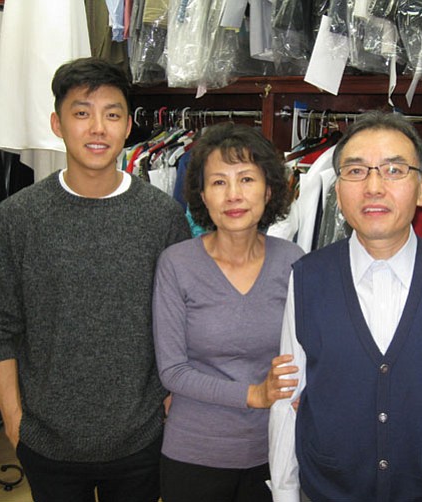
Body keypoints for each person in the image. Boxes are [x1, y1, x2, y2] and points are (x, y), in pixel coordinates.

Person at [0, 57, 191, 502]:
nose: (97, 128)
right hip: (47, 443)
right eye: (81, 112)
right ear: (57, 123)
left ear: (128, 126)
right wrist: (14, 422)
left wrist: (170, 405)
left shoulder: (162, 216)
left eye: (111, 114)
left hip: (141, 440)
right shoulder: (17, 219)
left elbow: (182, 318)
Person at [268, 111, 422, 502]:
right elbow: (288, 404)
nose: (374, 187)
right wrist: (285, 494)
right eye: (357, 171)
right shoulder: (307, 279)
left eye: (395, 170)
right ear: (338, 187)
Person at [152, 122, 304, 502]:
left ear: (269, 190)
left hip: (273, 452)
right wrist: (253, 393)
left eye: (247, 179)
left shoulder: (293, 262)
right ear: (201, 195)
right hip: (194, 455)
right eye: (219, 182)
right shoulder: (177, 264)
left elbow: (309, 353)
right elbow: (172, 371)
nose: (233, 195)